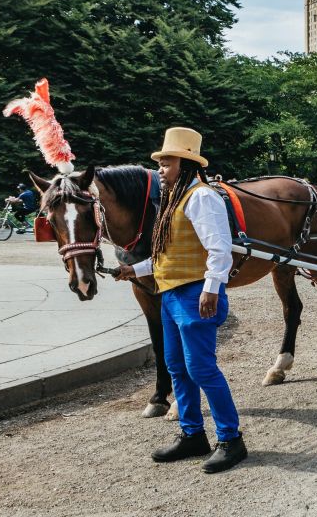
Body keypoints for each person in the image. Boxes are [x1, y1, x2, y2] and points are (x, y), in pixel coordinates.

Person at [115, 127, 246, 474]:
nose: (160, 167)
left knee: (201, 368)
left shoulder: (202, 197)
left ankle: (231, 439)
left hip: (194, 295)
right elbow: (169, 254)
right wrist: (134, 269)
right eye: (160, 162)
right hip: (172, 295)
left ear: (186, 164)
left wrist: (211, 289)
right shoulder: (175, 199)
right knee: (176, 367)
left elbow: (220, 250)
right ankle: (192, 435)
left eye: (167, 161)